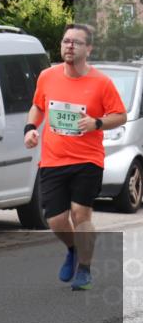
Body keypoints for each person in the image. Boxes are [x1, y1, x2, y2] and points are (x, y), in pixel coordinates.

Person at [24, 23, 126, 291]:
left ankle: (85, 268)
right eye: (66, 41)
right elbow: (37, 106)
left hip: (88, 159)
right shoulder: (47, 76)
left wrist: (97, 123)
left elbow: (120, 115)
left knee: (81, 213)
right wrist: (31, 129)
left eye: (76, 42)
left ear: (88, 48)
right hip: (54, 159)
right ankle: (72, 248)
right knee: (56, 220)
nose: (69, 46)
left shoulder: (101, 83)